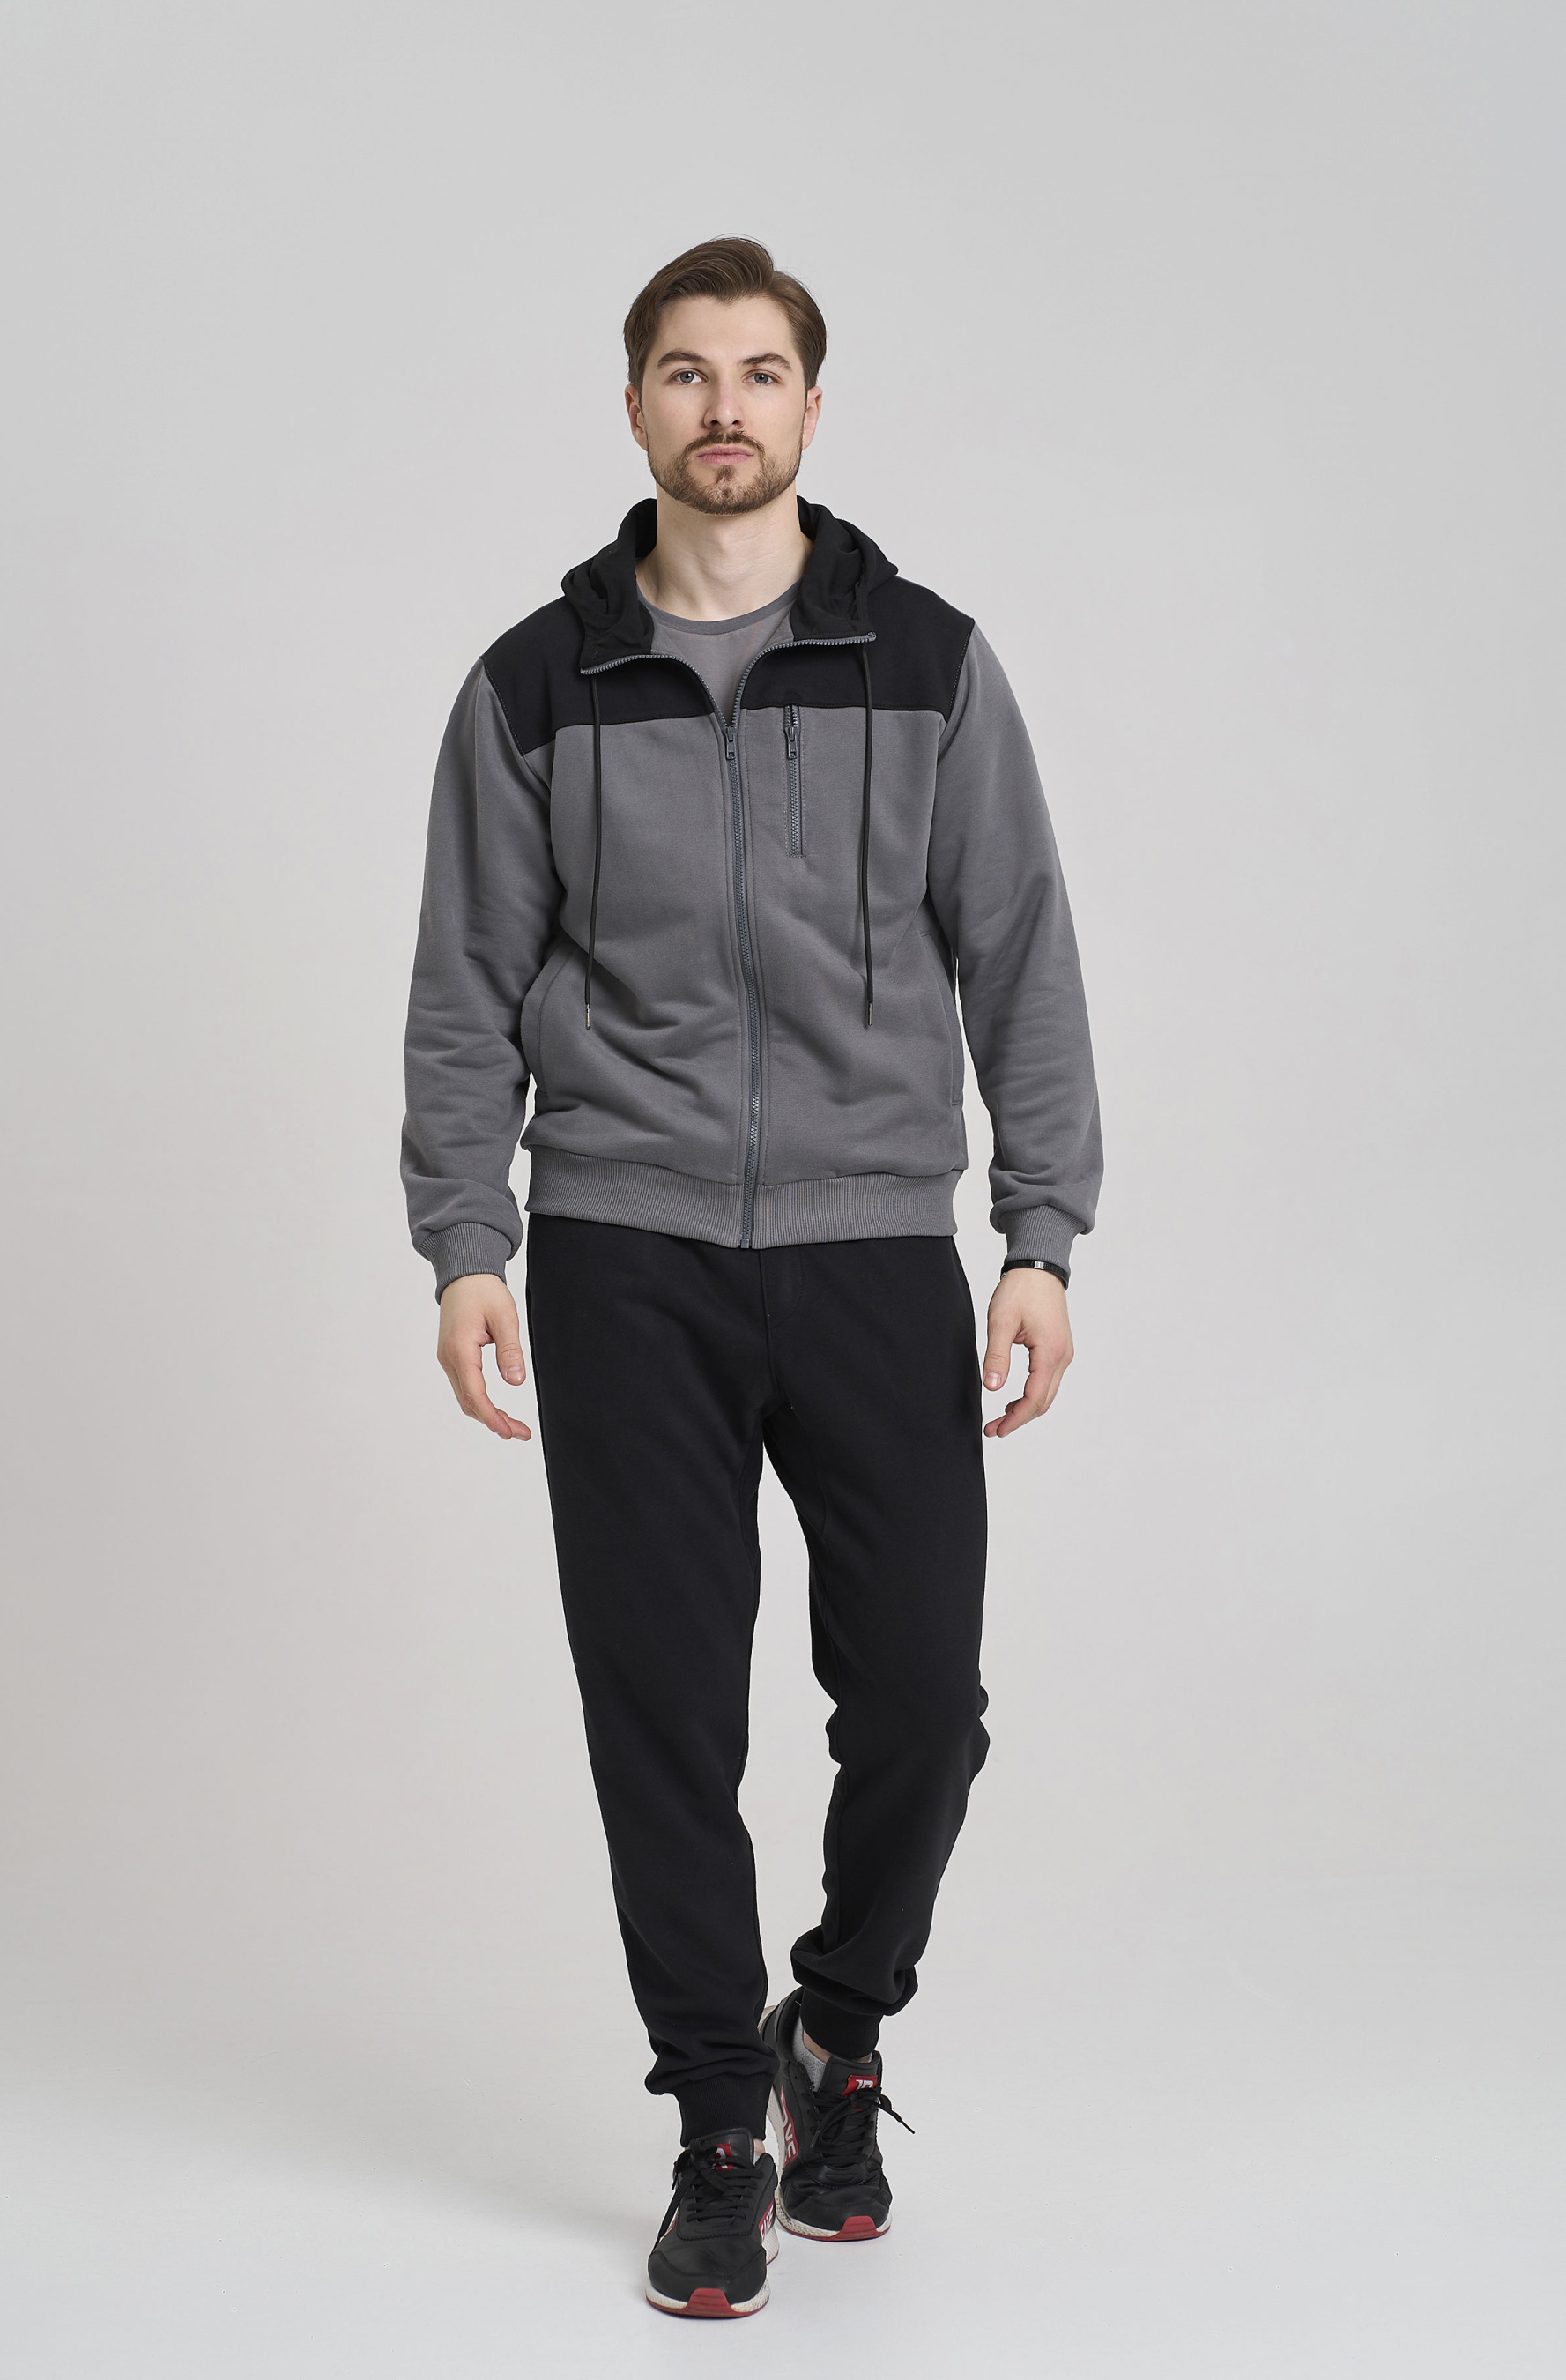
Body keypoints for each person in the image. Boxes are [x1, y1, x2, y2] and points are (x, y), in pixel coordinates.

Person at [399, 236, 1102, 2318]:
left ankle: (836, 2030)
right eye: (688, 372)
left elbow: (1018, 945)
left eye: (761, 371)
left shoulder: (928, 663)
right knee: (660, 1712)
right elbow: (462, 986)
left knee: (920, 1704)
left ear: (809, 406)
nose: (724, 407)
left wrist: (1038, 1233)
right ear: (633, 405)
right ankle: (717, 2119)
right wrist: (465, 1239)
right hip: (621, 1254)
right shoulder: (532, 686)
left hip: (872, 1242)